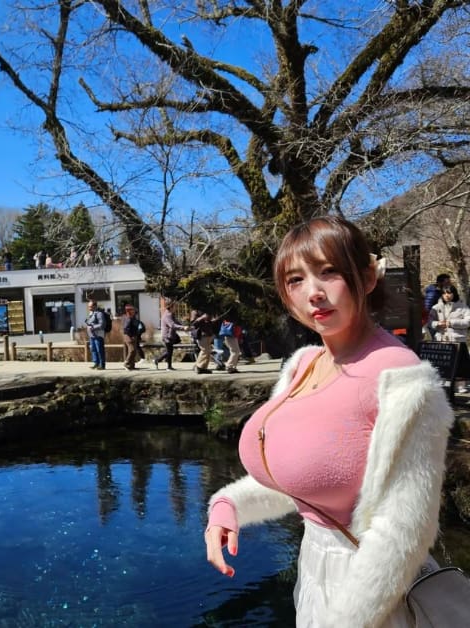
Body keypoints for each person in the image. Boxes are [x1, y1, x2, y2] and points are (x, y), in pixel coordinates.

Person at [203, 216, 454, 627]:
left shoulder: (402, 381)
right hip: (316, 570)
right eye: (295, 280)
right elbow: (302, 477)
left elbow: (402, 536)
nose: (314, 293)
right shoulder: (304, 363)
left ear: (368, 277)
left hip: (371, 597)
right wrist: (229, 505)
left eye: (329, 272)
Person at [428, 285, 470, 394]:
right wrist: (437, 324)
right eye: (445, 293)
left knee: (461, 364)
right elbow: (430, 322)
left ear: (454, 293)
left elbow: (468, 322)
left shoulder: (462, 307)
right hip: (442, 339)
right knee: (443, 364)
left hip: (458, 339)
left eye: (449, 293)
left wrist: (452, 323)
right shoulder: (436, 307)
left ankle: (461, 385)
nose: (447, 295)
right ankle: (444, 384)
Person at [153, 297, 189, 370]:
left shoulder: (171, 314)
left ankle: (160, 361)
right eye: (174, 306)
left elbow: (176, 322)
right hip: (167, 336)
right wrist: (183, 328)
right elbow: (172, 325)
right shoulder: (168, 315)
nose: (176, 307)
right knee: (169, 351)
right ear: (170, 307)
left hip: (171, 335)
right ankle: (163, 363)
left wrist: (183, 326)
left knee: (170, 350)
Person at [190, 309, 220, 374]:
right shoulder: (195, 311)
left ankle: (203, 368)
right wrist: (202, 317)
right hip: (201, 335)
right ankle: (198, 366)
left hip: (208, 334)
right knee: (204, 350)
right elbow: (193, 324)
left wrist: (214, 321)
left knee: (208, 351)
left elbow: (209, 323)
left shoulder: (207, 311)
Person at [85, 300, 107, 370]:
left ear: (95, 306)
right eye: (88, 306)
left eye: (90, 306)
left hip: (98, 335)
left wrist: (93, 327)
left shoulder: (99, 314)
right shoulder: (91, 313)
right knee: (93, 350)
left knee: (99, 350)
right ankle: (96, 363)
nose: (89, 308)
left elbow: (102, 324)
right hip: (92, 335)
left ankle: (102, 364)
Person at [121, 304, 145, 370]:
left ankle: (131, 366)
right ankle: (126, 363)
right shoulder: (128, 318)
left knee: (133, 351)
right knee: (132, 350)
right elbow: (126, 329)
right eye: (133, 310)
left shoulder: (132, 317)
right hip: (129, 336)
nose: (134, 311)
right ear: (129, 311)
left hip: (134, 335)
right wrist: (130, 336)